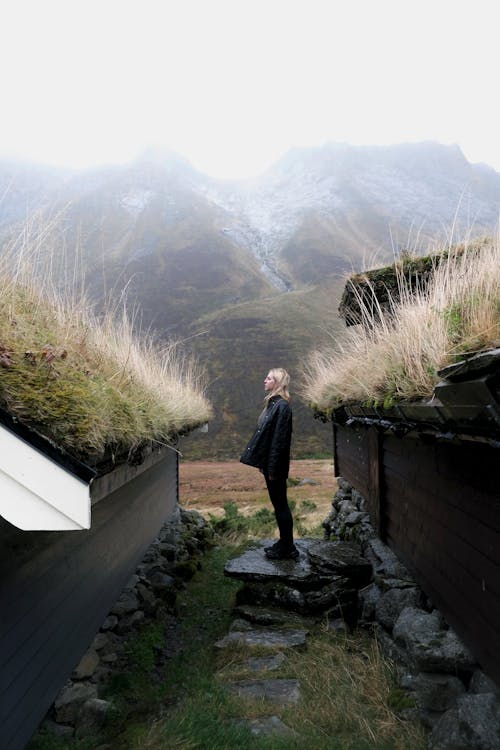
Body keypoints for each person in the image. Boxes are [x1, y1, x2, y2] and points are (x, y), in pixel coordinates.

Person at [240, 368, 298, 560]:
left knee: (281, 505)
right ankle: (284, 543)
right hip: (271, 466)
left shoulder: (281, 406)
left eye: (269, 378)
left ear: (278, 383)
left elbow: (279, 442)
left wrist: (272, 469)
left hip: (276, 467)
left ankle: (288, 547)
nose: (264, 381)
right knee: (278, 504)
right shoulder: (274, 405)